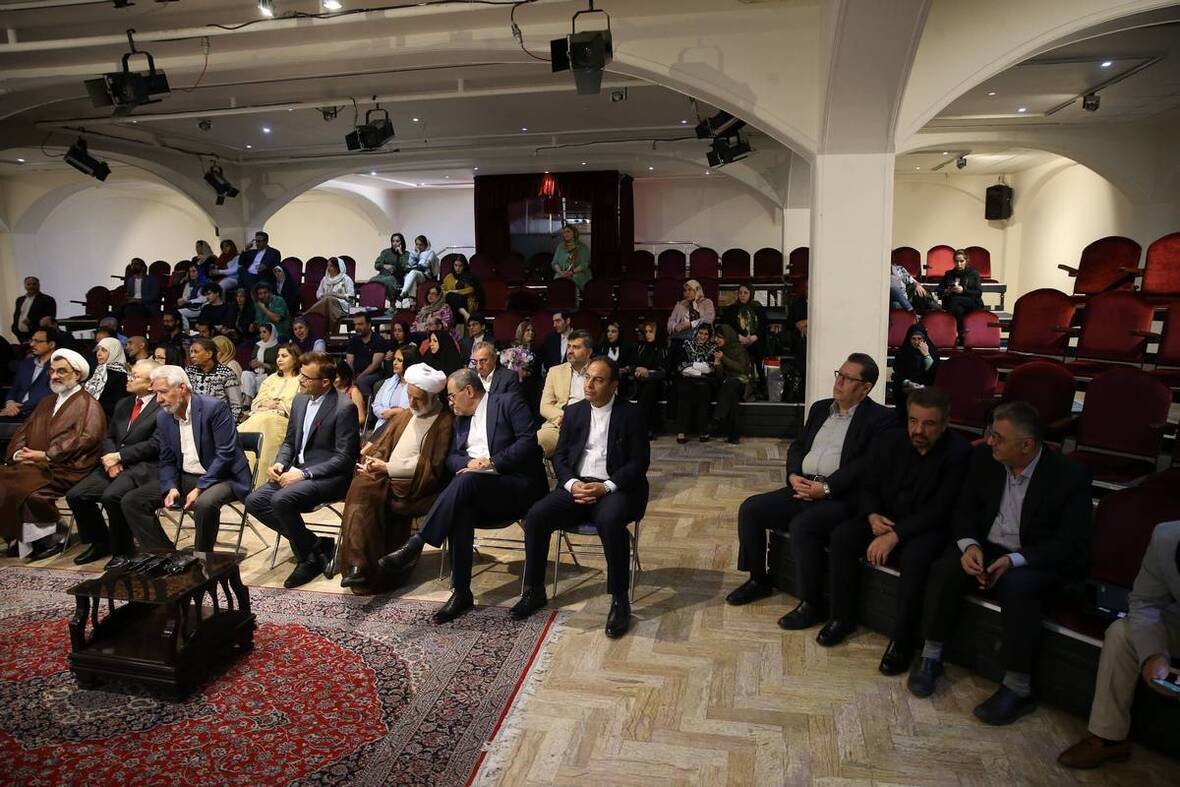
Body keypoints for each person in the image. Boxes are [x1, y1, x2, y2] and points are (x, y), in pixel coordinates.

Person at [907, 401, 1093, 725]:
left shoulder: (1069, 476)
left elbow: (1069, 543)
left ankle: (1018, 686)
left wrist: (1014, 560)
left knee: (1019, 587)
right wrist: (969, 546)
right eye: (991, 433)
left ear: (1027, 445)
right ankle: (931, 655)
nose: (990, 441)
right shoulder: (983, 458)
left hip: (1032, 556)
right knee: (946, 568)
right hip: (986, 545)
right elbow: (963, 510)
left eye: (999, 438)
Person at [726, 353, 893, 627]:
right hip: (803, 485)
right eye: (839, 374)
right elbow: (799, 446)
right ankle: (758, 579)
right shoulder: (820, 408)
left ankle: (812, 603)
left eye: (848, 378)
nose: (839, 382)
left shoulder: (879, 418)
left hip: (841, 497)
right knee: (751, 509)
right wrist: (793, 475)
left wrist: (826, 488)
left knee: (803, 526)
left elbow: (866, 465)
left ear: (865, 387)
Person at [818, 386, 972, 675]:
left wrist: (895, 535)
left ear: (944, 424)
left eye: (928, 424)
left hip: (926, 527)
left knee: (916, 559)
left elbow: (941, 509)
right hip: (885, 518)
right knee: (842, 537)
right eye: (913, 421)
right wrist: (872, 514)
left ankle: (902, 641)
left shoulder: (959, 453)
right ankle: (842, 617)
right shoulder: (890, 440)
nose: (918, 430)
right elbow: (869, 485)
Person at [377, 369, 546, 623]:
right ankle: (461, 592)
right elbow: (452, 458)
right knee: (460, 508)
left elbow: (528, 443)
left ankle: (417, 542)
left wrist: (491, 462)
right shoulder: (460, 419)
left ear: (469, 391)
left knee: (465, 482)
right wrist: (469, 462)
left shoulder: (508, 402)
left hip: (516, 486)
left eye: (451, 396)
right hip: (477, 489)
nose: (450, 402)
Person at [513, 357, 649, 637]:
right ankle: (534, 590)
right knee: (536, 516)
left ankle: (619, 600)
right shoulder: (574, 412)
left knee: (610, 521)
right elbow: (560, 456)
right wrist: (572, 483)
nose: (589, 384)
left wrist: (606, 487)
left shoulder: (631, 414)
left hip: (615, 488)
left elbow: (639, 463)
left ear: (614, 385)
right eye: (587, 378)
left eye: (598, 380)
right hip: (577, 485)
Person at [1059, 520, 1180, 769]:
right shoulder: (1167, 537)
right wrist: (1153, 654)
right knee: (1121, 633)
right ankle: (1108, 738)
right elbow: (1145, 602)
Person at [245, 352, 360, 588]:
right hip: (296, 471)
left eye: (307, 377)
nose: (300, 380)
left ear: (325, 382)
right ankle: (314, 545)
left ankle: (306, 560)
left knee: (281, 500)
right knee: (254, 501)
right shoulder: (299, 401)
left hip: (329, 477)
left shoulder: (344, 407)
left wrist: (304, 474)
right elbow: (290, 442)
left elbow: (344, 458)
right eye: (301, 374)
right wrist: (280, 463)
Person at [336, 363, 454, 592]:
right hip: (385, 477)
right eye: (409, 396)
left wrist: (387, 468)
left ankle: (359, 567)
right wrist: (374, 464)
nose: (412, 402)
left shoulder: (444, 422)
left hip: (417, 487)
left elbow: (431, 466)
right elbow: (383, 445)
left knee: (363, 488)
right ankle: (360, 567)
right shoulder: (406, 415)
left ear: (432, 397)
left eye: (418, 398)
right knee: (363, 484)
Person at [122, 365, 253, 552]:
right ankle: (165, 556)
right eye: (156, 393)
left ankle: (203, 557)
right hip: (187, 476)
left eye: (163, 392)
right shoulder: (163, 418)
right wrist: (171, 486)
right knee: (132, 501)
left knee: (205, 503)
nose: (158, 399)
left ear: (182, 388)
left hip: (224, 477)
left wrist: (200, 488)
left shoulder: (214, 408)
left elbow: (226, 454)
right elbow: (167, 459)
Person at [0, 348, 106, 559]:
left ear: (77, 374)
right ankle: (20, 538)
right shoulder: (46, 401)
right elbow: (23, 431)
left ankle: (52, 538)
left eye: (61, 371)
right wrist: (18, 453)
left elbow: (87, 439)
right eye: (52, 371)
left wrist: (46, 455)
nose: (54, 376)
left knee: (31, 493)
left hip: (66, 467)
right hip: (33, 464)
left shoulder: (89, 404)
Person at [64, 359, 161, 566]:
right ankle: (100, 542)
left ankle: (123, 551)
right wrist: (111, 459)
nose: (128, 378)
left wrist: (120, 457)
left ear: (151, 384)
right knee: (76, 495)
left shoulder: (161, 406)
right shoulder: (124, 403)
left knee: (112, 497)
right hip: (112, 463)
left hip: (142, 466)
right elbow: (109, 436)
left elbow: (155, 444)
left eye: (135, 376)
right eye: (130, 373)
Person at [237, 343, 303, 477]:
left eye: (284, 356)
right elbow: (256, 403)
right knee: (239, 431)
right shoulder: (271, 378)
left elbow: (300, 405)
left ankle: (261, 477)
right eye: (278, 356)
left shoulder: (301, 379)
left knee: (266, 423)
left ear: (295, 358)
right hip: (261, 416)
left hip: (284, 420)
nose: (279, 359)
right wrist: (266, 404)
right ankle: (241, 475)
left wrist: (278, 405)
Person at [537, 329, 593, 456]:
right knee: (532, 445)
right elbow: (545, 406)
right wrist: (565, 418)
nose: (570, 351)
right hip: (558, 425)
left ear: (589, 352)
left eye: (576, 347)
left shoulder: (599, 370)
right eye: (569, 346)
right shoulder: (555, 371)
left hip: (589, 425)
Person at [709, 324, 753, 444]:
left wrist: (723, 358)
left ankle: (718, 416)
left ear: (728, 337)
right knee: (732, 397)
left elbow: (741, 369)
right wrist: (717, 364)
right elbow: (720, 376)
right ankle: (734, 436)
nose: (716, 340)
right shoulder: (718, 350)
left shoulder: (738, 349)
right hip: (727, 385)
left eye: (720, 337)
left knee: (731, 383)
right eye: (716, 337)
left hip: (742, 382)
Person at [720, 283, 768, 394]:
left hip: (755, 339)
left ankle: (761, 385)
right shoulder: (732, 309)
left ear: (751, 294)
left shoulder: (757, 307)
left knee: (759, 349)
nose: (742, 295)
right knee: (736, 349)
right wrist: (738, 337)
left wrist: (755, 337)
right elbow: (727, 326)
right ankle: (741, 385)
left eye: (745, 293)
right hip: (737, 340)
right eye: (740, 293)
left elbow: (763, 325)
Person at [674, 324, 717, 444]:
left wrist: (692, 364)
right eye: (700, 333)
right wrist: (700, 369)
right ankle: (681, 431)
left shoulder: (713, 348)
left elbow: (710, 369)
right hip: (687, 379)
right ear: (696, 333)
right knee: (684, 392)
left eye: (706, 334)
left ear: (709, 336)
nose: (702, 336)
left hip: (705, 381)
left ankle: (703, 430)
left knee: (704, 392)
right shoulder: (686, 345)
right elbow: (682, 367)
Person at [1, 328, 57, 419]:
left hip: (41, 415)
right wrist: (9, 402)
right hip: (15, 412)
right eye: (31, 340)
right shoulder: (26, 364)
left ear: (51, 344)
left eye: (37, 341)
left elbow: (50, 394)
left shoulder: (58, 366)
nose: (32, 344)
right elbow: (15, 388)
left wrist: (20, 408)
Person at [185, 337, 243, 422]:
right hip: (194, 420)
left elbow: (236, 405)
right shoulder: (189, 372)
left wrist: (229, 424)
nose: (192, 355)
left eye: (196, 352)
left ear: (209, 354)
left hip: (219, 421)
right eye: (191, 352)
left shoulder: (226, 373)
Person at [890, 323, 940, 423]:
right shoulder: (902, 353)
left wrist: (926, 355)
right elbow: (898, 374)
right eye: (913, 339)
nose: (916, 342)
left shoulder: (932, 352)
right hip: (906, 390)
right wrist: (908, 382)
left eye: (919, 339)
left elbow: (934, 373)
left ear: (924, 339)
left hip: (926, 390)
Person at [628, 320, 667, 438]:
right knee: (646, 389)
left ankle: (646, 427)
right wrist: (637, 369)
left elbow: (664, 371)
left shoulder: (663, 349)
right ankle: (647, 427)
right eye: (646, 332)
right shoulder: (640, 347)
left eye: (651, 331)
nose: (648, 334)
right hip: (640, 381)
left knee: (650, 387)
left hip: (658, 382)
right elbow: (632, 365)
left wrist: (648, 374)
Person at [370, 345, 419, 433]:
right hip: (383, 424)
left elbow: (416, 409)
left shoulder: (417, 386)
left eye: (399, 360)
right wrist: (389, 413)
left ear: (409, 363)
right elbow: (376, 406)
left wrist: (399, 412)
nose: (394, 363)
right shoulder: (388, 382)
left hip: (406, 428)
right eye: (394, 359)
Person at [344, 313, 389, 402]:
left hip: (374, 373)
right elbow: (349, 362)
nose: (357, 327)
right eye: (355, 324)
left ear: (369, 325)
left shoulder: (378, 340)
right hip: (356, 373)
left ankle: (368, 404)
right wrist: (352, 378)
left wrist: (359, 377)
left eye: (360, 324)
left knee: (362, 381)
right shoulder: (354, 340)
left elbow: (375, 365)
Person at [940, 248, 984, 336]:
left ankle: (945, 327)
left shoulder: (973, 273)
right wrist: (947, 290)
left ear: (966, 261)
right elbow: (939, 289)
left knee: (955, 300)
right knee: (959, 309)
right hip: (955, 304)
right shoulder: (949, 274)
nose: (959, 264)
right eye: (956, 261)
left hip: (971, 301)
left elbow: (978, 293)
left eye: (961, 261)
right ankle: (962, 336)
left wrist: (963, 290)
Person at [84, 336, 129, 417]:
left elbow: (120, 405)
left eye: (104, 350)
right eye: (98, 349)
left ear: (114, 352)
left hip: (108, 419)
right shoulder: (98, 370)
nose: (98, 353)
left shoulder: (121, 375)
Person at [504, 318, 541, 416]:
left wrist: (527, 372)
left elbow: (538, 371)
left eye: (532, 330)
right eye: (527, 330)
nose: (531, 332)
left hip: (532, 387)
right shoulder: (512, 348)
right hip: (516, 385)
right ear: (521, 332)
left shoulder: (538, 349)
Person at [304, 257, 355, 324]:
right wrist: (323, 295)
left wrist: (337, 295)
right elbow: (318, 293)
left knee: (329, 299)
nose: (328, 268)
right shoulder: (325, 279)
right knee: (327, 300)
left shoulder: (346, 279)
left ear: (337, 268)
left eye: (331, 266)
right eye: (327, 265)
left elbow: (351, 296)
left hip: (342, 306)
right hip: (326, 305)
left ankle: (307, 314)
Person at [241, 322, 280, 401]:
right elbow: (252, 361)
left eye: (264, 332)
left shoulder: (278, 347)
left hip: (269, 374)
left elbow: (278, 367)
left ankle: (249, 401)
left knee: (257, 381)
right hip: (257, 373)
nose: (262, 335)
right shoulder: (258, 345)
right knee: (245, 374)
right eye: (260, 332)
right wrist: (252, 363)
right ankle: (248, 400)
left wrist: (264, 365)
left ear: (272, 333)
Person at [397, 235, 438, 310]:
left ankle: (403, 293)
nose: (418, 246)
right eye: (417, 244)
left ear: (425, 245)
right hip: (416, 275)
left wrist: (414, 265)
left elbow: (424, 266)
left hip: (426, 276)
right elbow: (409, 265)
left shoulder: (430, 252)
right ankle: (412, 304)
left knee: (413, 272)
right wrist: (416, 254)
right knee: (412, 277)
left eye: (420, 245)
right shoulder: (413, 253)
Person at [11, 276, 56, 343]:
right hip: (21, 335)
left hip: (38, 336)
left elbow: (49, 318)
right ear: (25, 286)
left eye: (34, 284)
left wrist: (31, 321)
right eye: (28, 284)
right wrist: (14, 329)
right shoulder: (19, 300)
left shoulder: (47, 299)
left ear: (38, 285)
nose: (31, 286)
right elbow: (16, 316)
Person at [370, 232, 409, 303]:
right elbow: (377, 265)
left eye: (397, 241)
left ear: (402, 242)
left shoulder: (406, 254)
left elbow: (406, 267)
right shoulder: (386, 252)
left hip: (397, 277)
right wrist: (384, 266)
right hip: (382, 275)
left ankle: (392, 303)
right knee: (372, 281)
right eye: (393, 241)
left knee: (388, 280)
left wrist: (401, 254)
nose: (395, 243)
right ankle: (373, 304)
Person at [551, 224, 592, 291]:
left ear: (574, 233)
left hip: (577, 273)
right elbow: (555, 263)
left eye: (568, 231)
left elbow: (584, 264)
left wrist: (571, 272)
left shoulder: (582, 247)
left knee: (573, 280)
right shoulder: (560, 247)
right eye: (564, 232)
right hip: (562, 273)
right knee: (558, 280)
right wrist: (561, 272)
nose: (566, 234)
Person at [442, 256, 481, 323]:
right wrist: (447, 292)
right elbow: (442, 289)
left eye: (460, 266)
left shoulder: (469, 276)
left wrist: (455, 291)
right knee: (450, 296)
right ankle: (466, 315)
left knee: (451, 295)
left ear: (464, 266)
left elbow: (471, 290)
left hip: (467, 302)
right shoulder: (449, 277)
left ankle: (465, 315)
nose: (457, 268)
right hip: (451, 305)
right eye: (456, 265)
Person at [334, 361, 367, 427]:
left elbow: (361, 419)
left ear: (345, 377)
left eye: (336, 377)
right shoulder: (330, 392)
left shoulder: (353, 392)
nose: (332, 379)